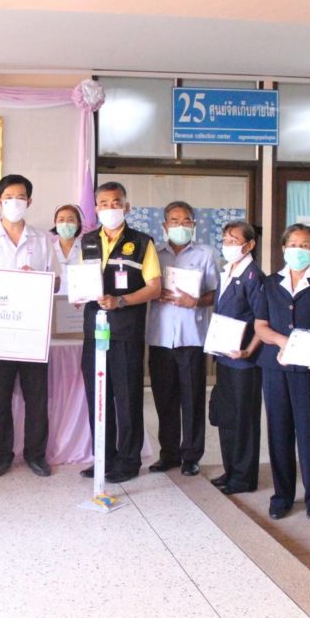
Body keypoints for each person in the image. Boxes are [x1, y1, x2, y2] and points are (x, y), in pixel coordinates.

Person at [0, 174, 61, 477]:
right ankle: (1, 455)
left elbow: (56, 281)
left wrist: (37, 279)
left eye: (20, 197)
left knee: (37, 397)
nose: (14, 203)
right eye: (8, 198)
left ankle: (36, 455)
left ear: (29, 202)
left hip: (33, 329)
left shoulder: (43, 240)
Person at [253, 223, 310, 520]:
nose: (298, 250)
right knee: (279, 431)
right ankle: (282, 496)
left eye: (305, 245)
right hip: (276, 367)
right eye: (293, 244)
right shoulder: (270, 282)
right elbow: (260, 325)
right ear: (283, 248)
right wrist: (283, 342)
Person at [78, 181, 162, 483]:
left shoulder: (141, 242)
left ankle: (128, 461)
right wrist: (79, 294)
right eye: (104, 203)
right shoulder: (88, 241)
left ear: (126, 207)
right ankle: (103, 457)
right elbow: (83, 280)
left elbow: (155, 287)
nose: (110, 208)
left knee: (127, 398)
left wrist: (121, 301)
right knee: (98, 397)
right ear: (96, 208)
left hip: (126, 332)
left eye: (116, 203)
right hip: (95, 331)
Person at [146, 201, 219, 476]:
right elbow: (143, 287)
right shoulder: (154, 254)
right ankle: (168, 454)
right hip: (160, 338)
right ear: (165, 226)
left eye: (186, 221)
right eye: (174, 221)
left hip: (192, 338)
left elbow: (216, 293)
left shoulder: (206, 254)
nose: (180, 226)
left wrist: (196, 301)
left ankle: (191, 456)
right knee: (164, 400)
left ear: (194, 225)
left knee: (192, 399)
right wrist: (154, 292)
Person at [208, 221, 264, 495]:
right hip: (225, 357)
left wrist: (249, 350)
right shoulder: (227, 271)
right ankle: (230, 470)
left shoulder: (254, 277)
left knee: (244, 420)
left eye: (234, 241)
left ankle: (243, 477)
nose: (228, 245)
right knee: (227, 416)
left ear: (250, 245)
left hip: (244, 361)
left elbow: (262, 321)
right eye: (226, 240)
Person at [50, 204, 83, 294]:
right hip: (55, 300)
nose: (65, 224)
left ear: (78, 223)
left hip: (81, 300)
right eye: (61, 220)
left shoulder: (87, 250)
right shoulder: (48, 250)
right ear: (55, 223)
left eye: (70, 220)